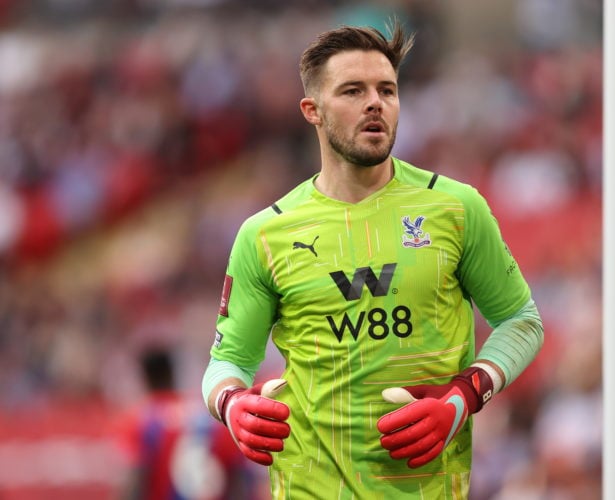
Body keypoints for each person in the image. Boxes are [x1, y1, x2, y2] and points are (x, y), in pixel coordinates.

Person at [201, 19, 544, 499]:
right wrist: (232, 404)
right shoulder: (265, 234)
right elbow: (227, 360)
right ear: (312, 110)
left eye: (387, 89)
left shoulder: (456, 208)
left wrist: (464, 396)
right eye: (352, 90)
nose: (375, 102)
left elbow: (521, 320)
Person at [117, 348, 255, 500]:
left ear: (145, 377)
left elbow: (137, 478)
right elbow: (239, 479)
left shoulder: (143, 419)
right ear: (173, 373)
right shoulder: (212, 417)